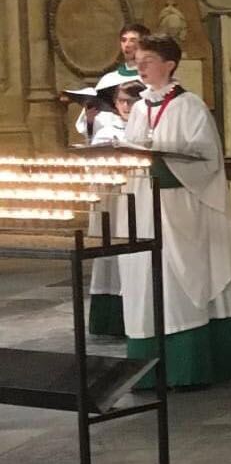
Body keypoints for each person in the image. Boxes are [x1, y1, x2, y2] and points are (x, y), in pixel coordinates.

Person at [118, 35, 231, 389]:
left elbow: (207, 159)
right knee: (146, 281)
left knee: (180, 283)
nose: (140, 66)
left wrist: (161, 159)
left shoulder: (190, 106)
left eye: (147, 60)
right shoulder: (140, 108)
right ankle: (148, 372)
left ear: (169, 64)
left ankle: (189, 368)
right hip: (144, 206)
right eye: (138, 61)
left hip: (179, 207)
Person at [84, 81, 142, 338]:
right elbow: (93, 163)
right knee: (112, 256)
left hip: (139, 200)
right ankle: (111, 319)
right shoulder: (107, 130)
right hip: (114, 201)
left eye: (131, 101)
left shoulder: (147, 128)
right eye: (121, 101)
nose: (126, 106)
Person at [76, 23, 146, 140]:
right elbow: (91, 128)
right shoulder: (108, 80)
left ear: (144, 44)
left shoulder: (151, 79)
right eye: (123, 40)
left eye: (133, 40)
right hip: (110, 141)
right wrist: (90, 120)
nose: (127, 45)